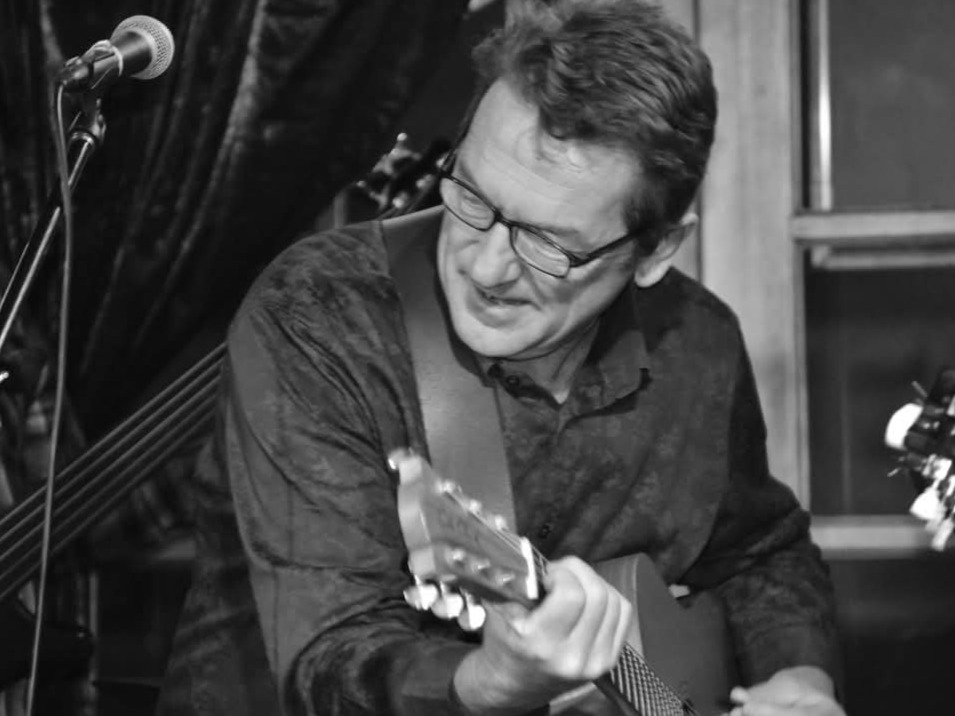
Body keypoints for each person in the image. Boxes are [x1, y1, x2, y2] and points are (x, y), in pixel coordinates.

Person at [158, 1, 845, 715]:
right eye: (472, 198)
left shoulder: (698, 344)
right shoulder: (324, 313)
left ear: (656, 250)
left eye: (549, 245)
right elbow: (329, 657)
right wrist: (493, 682)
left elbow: (759, 548)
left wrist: (799, 680)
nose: (486, 267)